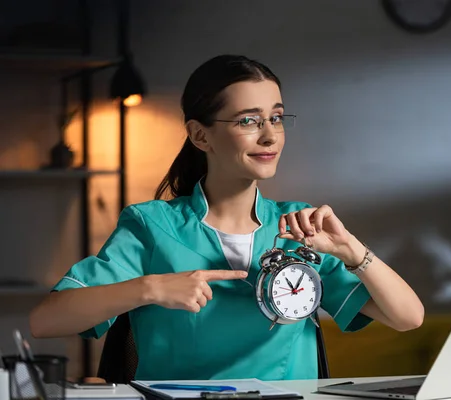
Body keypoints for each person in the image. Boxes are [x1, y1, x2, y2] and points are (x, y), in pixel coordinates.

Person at [29, 55, 424, 381]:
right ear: (200, 136)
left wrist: (351, 250)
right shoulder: (152, 225)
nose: (270, 136)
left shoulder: (299, 228)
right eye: (248, 121)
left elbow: (408, 318)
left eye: (276, 117)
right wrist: (149, 289)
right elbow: (46, 321)